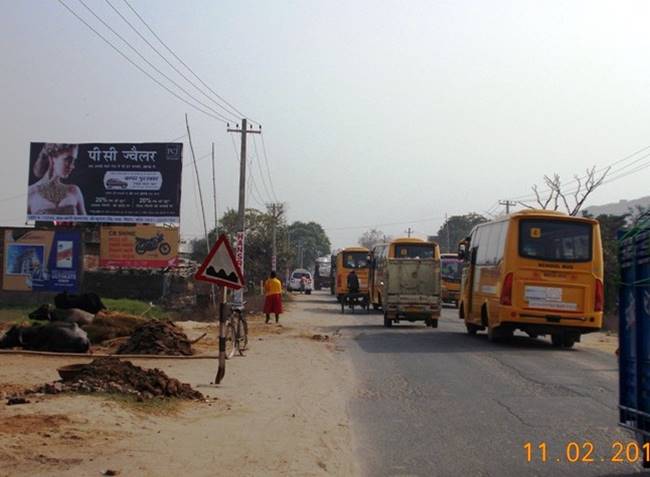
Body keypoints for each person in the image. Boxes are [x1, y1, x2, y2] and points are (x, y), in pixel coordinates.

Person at [27, 143, 86, 216]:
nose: (72, 166)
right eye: (68, 160)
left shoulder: (75, 191)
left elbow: (86, 223)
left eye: (73, 161)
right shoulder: (30, 193)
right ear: (51, 159)